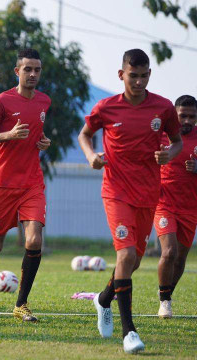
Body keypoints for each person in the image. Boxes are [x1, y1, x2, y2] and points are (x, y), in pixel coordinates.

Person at [78, 49, 182, 354]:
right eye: (132, 75)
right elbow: (85, 135)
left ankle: (103, 299)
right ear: (121, 74)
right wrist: (90, 156)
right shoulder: (107, 107)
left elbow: (176, 142)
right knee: (125, 256)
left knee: (134, 261)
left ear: (149, 75)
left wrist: (169, 155)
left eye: (143, 75)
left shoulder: (163, 108)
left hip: (148, 194)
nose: (137, 81)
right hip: (116, 191)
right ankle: (129, 332)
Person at [0, 48, 52, 322]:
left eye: (37, 70)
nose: (33, 74)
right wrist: (8, 134)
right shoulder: (2, 101)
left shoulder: (45, 101)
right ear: (17, 71)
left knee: (33, 240)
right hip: (3, 184)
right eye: (28, 69)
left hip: (32, 182)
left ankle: (21, 304)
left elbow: (37, 134)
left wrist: (44, 142)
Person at [153, 94, 197, 318]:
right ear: (174, 115)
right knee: (168, 251)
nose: (187, 121)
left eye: (191, 117)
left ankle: (167, 294)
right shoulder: (162, 135)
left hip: (190, 208)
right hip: (163, 203)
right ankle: (164, 300)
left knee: (180, 258)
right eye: (182, 116)